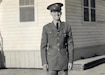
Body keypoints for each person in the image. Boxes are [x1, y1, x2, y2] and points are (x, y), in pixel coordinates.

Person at [40, 3, 74, 75]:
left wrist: (70, 61)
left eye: (58, 11)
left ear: (61, 13)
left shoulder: (67, 26)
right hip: (51, 61)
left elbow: (70, 45)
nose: (56, 14)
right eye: (54, 12)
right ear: (51, 13)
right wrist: (44, 62)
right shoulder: (46, 28)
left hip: (63, 61)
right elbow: (43, 46)